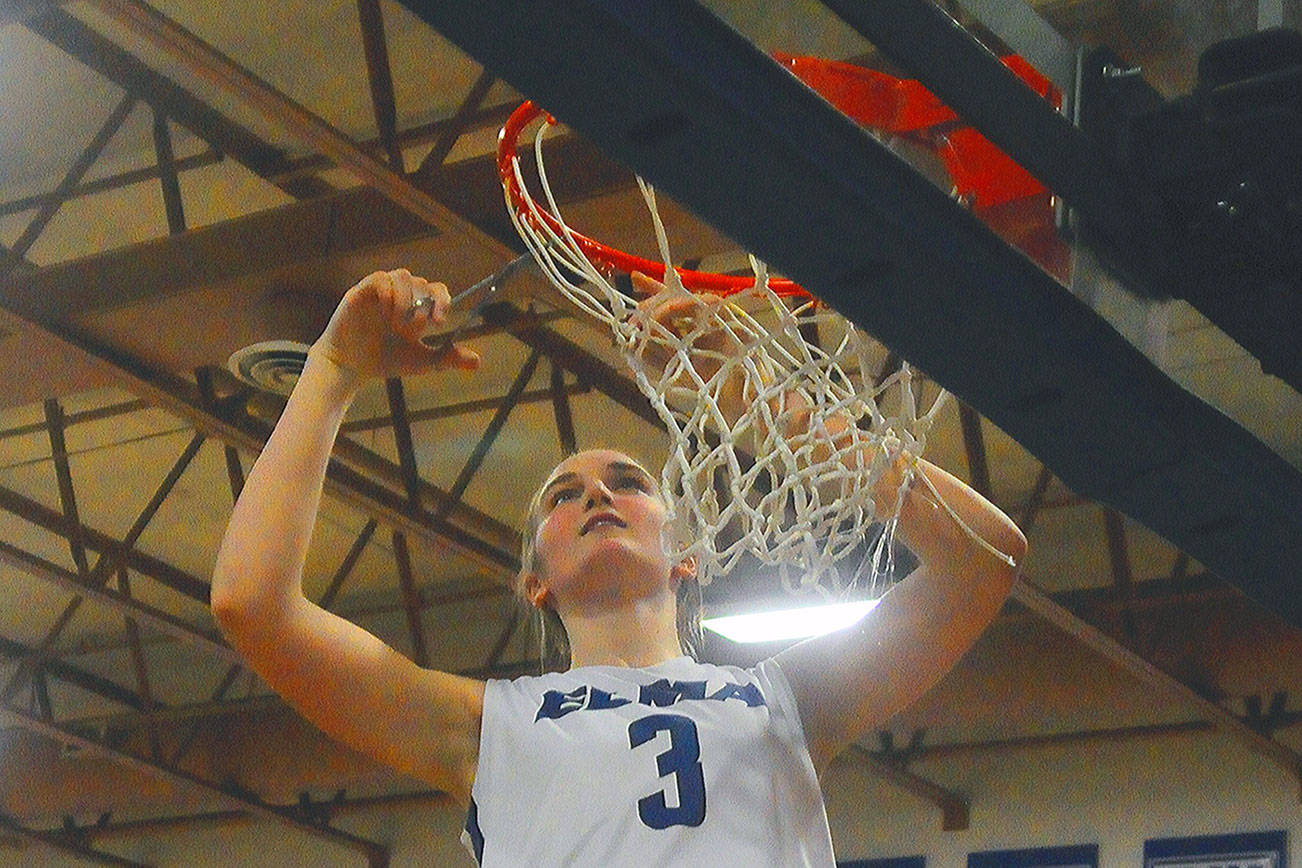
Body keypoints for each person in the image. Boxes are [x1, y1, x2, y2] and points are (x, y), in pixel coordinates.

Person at [212, 268, 1027, 866]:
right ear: (538, 577)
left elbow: (983, 560)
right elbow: (253, 606)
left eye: (628, 482)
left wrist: (752, 398)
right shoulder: (486, 726)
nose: (597, 494)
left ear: (687, 557)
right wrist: (331, 370)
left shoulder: (782, 700)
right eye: (564, 497)